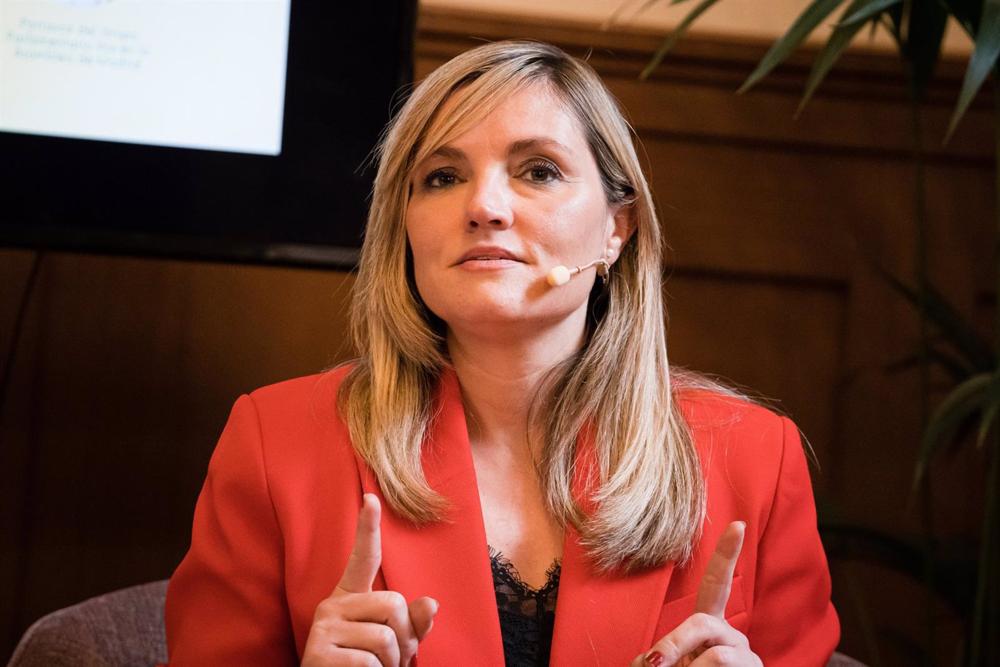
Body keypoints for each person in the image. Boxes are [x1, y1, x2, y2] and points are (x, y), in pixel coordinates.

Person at [164, 40, 840, 666]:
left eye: (538, 171)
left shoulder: (756, 457)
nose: (484, 205)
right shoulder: (274, 442)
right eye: (442, 177)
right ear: (405, 228)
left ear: (616, 229)